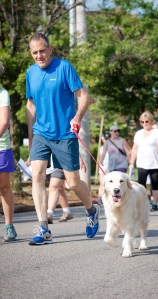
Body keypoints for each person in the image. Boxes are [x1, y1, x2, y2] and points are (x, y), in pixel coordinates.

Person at [26, 32, 100, 245]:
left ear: (50, 49)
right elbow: (30, 105)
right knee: (37, 175)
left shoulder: (64, 67)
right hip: (41, 133)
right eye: (35, 53)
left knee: (73, 181)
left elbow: (84, 95)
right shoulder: (31, 73)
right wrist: (31, 136)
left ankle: (91, 210)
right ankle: (43, 227)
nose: (39, 56)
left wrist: (77, 117)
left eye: (42, 51)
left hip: (65, 134)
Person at [130, 111, 158, 211]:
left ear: (151, 121)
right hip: (142, 163)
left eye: (147, 121)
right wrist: (131, 162)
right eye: (142, 122)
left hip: (155, 163)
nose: (145, 124)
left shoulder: (157, 133)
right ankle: (142, 204)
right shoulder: (138, 134)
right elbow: (134, 149)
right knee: (141, 185)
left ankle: (154, 204)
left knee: (155, 185)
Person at [0, 61, 17, 241]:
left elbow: (4, 122)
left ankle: (9, 225)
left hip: (1, 148)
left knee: (4, 187)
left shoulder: (3, 94)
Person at [47, 155, 86, 224]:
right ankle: (66, 211)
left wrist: (80, 159)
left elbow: (71, 144)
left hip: (60, 163)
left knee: (54, 186)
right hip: (47, 165)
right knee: (60, 189)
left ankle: (49, 213)